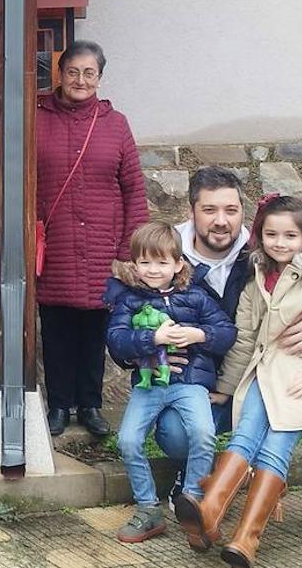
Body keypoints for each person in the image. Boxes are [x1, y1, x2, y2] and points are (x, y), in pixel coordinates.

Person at [153, 167, 302, 554]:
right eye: (209, 210)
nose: (221, 220)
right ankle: (205, 499)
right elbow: (242, 340)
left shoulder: (274, 259)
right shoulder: (171, 255)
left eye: (230, 209)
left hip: (295, 376)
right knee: (187, 432)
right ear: (193, 211)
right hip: (227, 378)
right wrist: (158, 354)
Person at [35, 40, 147, 437]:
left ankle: (91, 404)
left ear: (99, 77)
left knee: (96, 330)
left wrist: (129, 251)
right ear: (60, 74)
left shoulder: (115, 124)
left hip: (104, 246)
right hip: (56, 245)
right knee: (56, 329)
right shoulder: (37, 119)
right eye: (73, 72)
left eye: (89, 73)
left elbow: (133, 188)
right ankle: (59, 405)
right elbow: (20, 185)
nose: (80, 80)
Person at [103, 222, 236, 543]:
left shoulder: (196, 296)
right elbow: (116, 340)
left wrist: (198, 334)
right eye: (145, 262)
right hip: (148, 386)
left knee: (203, 434)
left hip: (190, 384)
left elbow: (227, 332)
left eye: (162, 262)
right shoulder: (128, 300)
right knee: (129, 440)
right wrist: (153, 338)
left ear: (178, 264)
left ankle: (193, 499)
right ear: (134, 264)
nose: (153, 269)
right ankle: (148, 509)